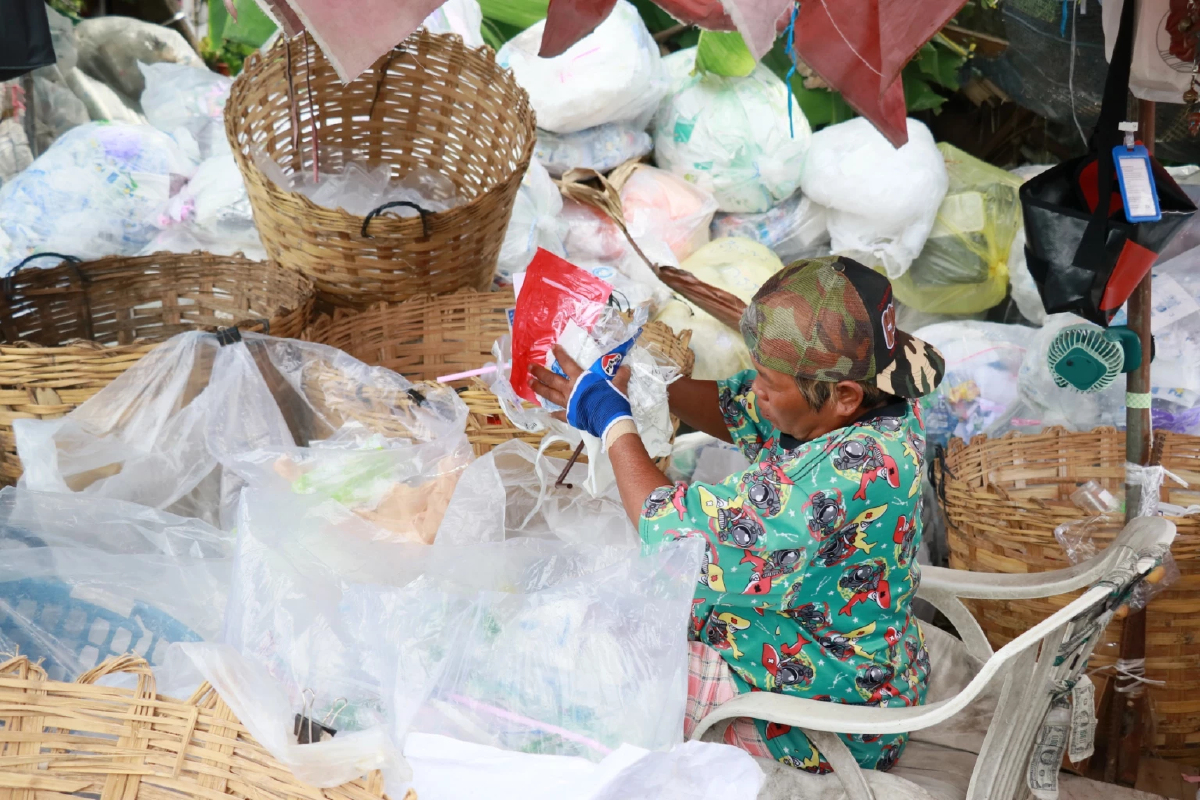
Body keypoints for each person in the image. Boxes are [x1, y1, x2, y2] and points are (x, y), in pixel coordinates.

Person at [529, 256, 946, 774]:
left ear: (843, 396)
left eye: (769, 381)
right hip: (846, 656)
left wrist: (613, 421)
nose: (756, 390)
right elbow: (740, 409)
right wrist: (640, 384)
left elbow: (671, 531)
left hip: (827, 716)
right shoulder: (875, 405)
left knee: (587, 683)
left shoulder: (845, 472)